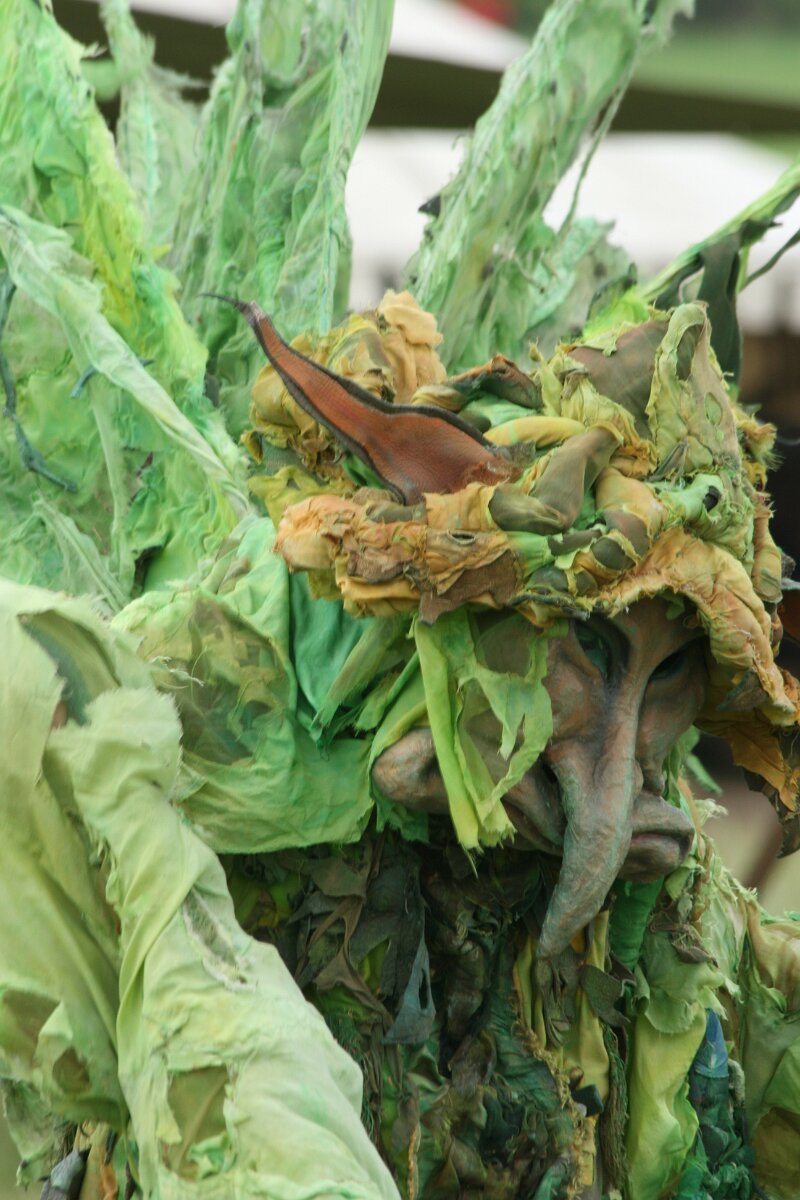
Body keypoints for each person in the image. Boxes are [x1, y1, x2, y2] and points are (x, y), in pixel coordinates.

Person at [3, 290, 798, 1200]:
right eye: (595, 651)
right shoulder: (258, 697)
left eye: (671, 675)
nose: (620, 758)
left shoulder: (661, 884)